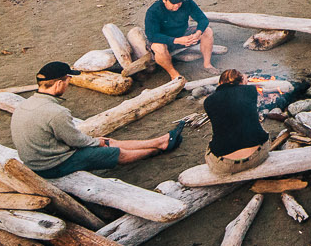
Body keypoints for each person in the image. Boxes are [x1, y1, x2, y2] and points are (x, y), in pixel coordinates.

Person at [10, 62, 186, 178]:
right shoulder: (56, 112)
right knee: (113, 153)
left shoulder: (26, 105)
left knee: (107, 141)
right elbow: (76, 141)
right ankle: (155, 150)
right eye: (68, 80)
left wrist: (97, 141)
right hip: (51, 165)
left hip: (37, 157)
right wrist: (97, 142)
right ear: (58, 84)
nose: (68, 84)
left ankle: (160, 141)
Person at [202, 69, 272, 175]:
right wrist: (244, 81)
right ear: (241, 81)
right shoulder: (251, 90)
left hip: (225, 165)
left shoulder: (208, 101)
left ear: (220, 83)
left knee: (215, 138)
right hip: (256, 157)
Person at [144, 0, 216, 80]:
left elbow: (203, 19)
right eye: (173, 3)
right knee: (158, 47)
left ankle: (207, 64)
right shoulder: (154, 11)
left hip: (183, 33)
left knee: (207, 31)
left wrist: (197, 33)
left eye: (179, 2)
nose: (177, 5)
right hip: (164, 39)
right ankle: (174, 75)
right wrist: (177, 40)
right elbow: (152, 35)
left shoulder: (187, 3)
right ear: (164, 0)